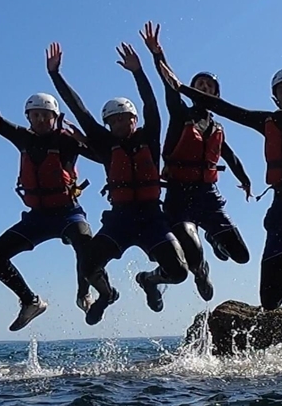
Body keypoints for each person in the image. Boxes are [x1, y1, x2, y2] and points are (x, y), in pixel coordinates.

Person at [157, 56, 282, 311]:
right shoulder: (267, 122)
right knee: (270, 300)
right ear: (275, 98)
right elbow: (228, 109)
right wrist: (178, 85)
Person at [0, 48, 115, 330]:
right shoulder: (23, 138)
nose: (39, 120)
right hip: (37, 217)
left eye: (45, 115)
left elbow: (102, 157)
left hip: (69, 213)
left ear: (55, 117)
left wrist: (84, 140)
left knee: (86, 246)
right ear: (28, 117)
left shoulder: (67, 140)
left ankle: (85, 293)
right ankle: (30, 301)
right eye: (34, 115)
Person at [46, 40, 189, 316]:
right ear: (108, 124)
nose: (121, 124)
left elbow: (151, 103)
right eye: (115, 121)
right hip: (120, 219)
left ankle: (150, 280)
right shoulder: (103, 142)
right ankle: (107, 294)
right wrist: (56, 75)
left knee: (179, 272)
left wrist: (139, 71)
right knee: (87, 265)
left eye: (126, 118)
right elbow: (80, 111)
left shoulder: (150, 137)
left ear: (134, 120)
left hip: (152, 218)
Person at [138, 21, 252, 302]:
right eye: (199, 84)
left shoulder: (216, 128)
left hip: (208, 197)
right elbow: (169, 87)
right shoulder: (180, 116)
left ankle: (214, 239)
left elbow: (230, 156)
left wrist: (245, 179)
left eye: (210, 86)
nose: (204, 88)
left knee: (241, 255)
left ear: (216, 95)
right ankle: (194, 273)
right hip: (179, 196)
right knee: (192, 254)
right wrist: (157, 55)